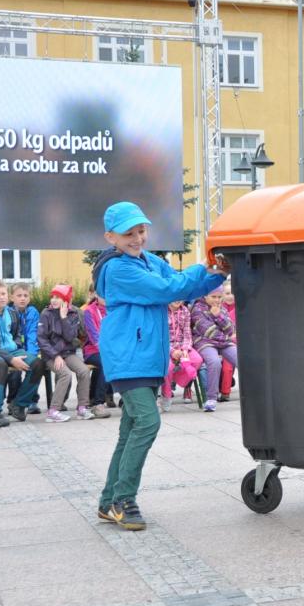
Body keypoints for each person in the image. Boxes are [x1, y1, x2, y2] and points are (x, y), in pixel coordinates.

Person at [93, 201, 227, 531]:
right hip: (128, 358)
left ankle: (108, 501)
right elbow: (168, 289)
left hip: (145, 356)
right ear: (110, 237)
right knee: (148, 422)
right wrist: (207, 265)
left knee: (130, 430)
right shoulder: (118, 269)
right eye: (129, 234)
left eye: (141, 231)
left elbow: (185, 283)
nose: (138, 238)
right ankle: (125, 500)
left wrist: (217, 273)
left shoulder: (148, 261)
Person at [0, 278, 45, 427]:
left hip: (11, 351)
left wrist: (16, 348)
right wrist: (10, 359)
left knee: (37, 363)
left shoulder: (12, 313)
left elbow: (16, 334)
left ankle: (18, 404)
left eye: (4, 293)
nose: (2, 297)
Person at [37, 284, 94, 423]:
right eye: (53, 297)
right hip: (50, 354)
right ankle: (53, 411)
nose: (54, 300)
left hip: (67, 353)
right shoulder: (46, 314)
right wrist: (55, 355)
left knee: (84, 371)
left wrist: (63, 318)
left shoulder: (73, 313)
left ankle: (82, 408)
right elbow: (41, 339)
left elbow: (70, 337)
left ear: (66, 300)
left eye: (58, 297)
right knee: (65, 374)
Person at [191, 289, 237, 412]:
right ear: (205, 296)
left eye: (219, 297)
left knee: (240, 358)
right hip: (204, 342)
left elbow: (230, 329)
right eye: (213, 297)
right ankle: (211, 397)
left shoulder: (221, 309)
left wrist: (218, 316)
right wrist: (227, 338)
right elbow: (207, 331)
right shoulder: (197, 309)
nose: (217, 300)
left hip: (223, 342)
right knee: (214, 361)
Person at [6, 282, 43, 415]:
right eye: (19, 295)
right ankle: (12, 401)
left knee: (36, 366)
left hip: (28, 349)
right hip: (13, 350)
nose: (22, 298)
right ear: (11, 297)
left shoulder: (32, 312)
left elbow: (32, 334)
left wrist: (31, 354)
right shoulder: (7, 312)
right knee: (15, 373)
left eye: (25, 295)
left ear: (30, 297)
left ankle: (31, 400)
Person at [162, 300, 201, 412]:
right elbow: (159, 336)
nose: (177, 299)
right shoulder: (161, 311)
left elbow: (187, 334)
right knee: (168, 367)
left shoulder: (185, 311)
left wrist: (185, 349)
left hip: (182, 346)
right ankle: (166, 395)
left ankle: (179, 379)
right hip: (166, 347)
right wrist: (172, 351)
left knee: (197, 360)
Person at [81, 290, 113, 417]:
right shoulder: (89, 311)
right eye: (102, 294)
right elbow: (94, 337)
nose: (106, 297)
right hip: (92, 351)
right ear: (96, 295)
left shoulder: (113, 311)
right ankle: (98, 404)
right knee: (106, 362)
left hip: (111, 351)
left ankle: (127, 400)